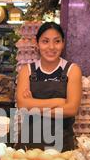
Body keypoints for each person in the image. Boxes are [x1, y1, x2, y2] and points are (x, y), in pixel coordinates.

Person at [16, 22, 82, 152]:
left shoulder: (72, 70)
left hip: (61, 143)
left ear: (63, 43)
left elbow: (71, 109)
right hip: (29, 142)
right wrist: (58, 102)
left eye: (56, 41)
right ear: (37, 43)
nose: (51, 47)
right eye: (45, 41)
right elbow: (22, 105)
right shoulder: (27, 70)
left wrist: (33, 107)